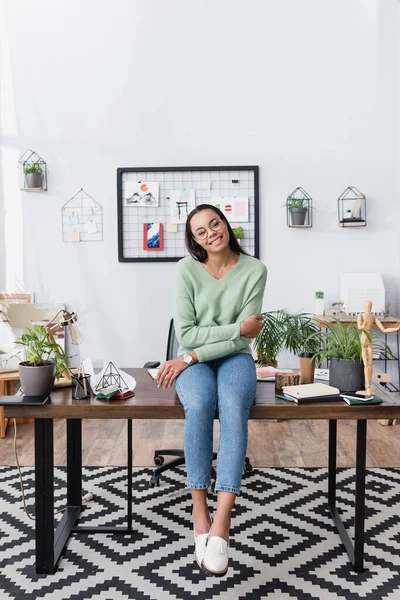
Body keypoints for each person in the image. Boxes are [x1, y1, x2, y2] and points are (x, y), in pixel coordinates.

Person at [157, 204, 267, 577]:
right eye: (200, 232)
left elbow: (241, 335)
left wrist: (191, 356)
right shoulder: (185, 270)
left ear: (225, 224)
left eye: (214, 224)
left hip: (231, 359)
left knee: (234, 403)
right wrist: (235, 330)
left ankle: (222, 523)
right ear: (194, 240)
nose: (210, 234)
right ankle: (198, 509)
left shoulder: (255, 270)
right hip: (197, 361)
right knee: (201, 403)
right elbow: (187, 335)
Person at [356, 300, 400, 396]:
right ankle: (367, 387)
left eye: (369, 306)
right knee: (366, 364)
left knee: (370, 364)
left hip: (368, 340)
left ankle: (369, 385)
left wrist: (396, 328)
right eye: (368, 306)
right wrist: (362, 326)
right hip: (364, 340)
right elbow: (359, 326)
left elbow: (383, 329)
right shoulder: (362, 315)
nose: (368, 307)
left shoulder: (371, 317)